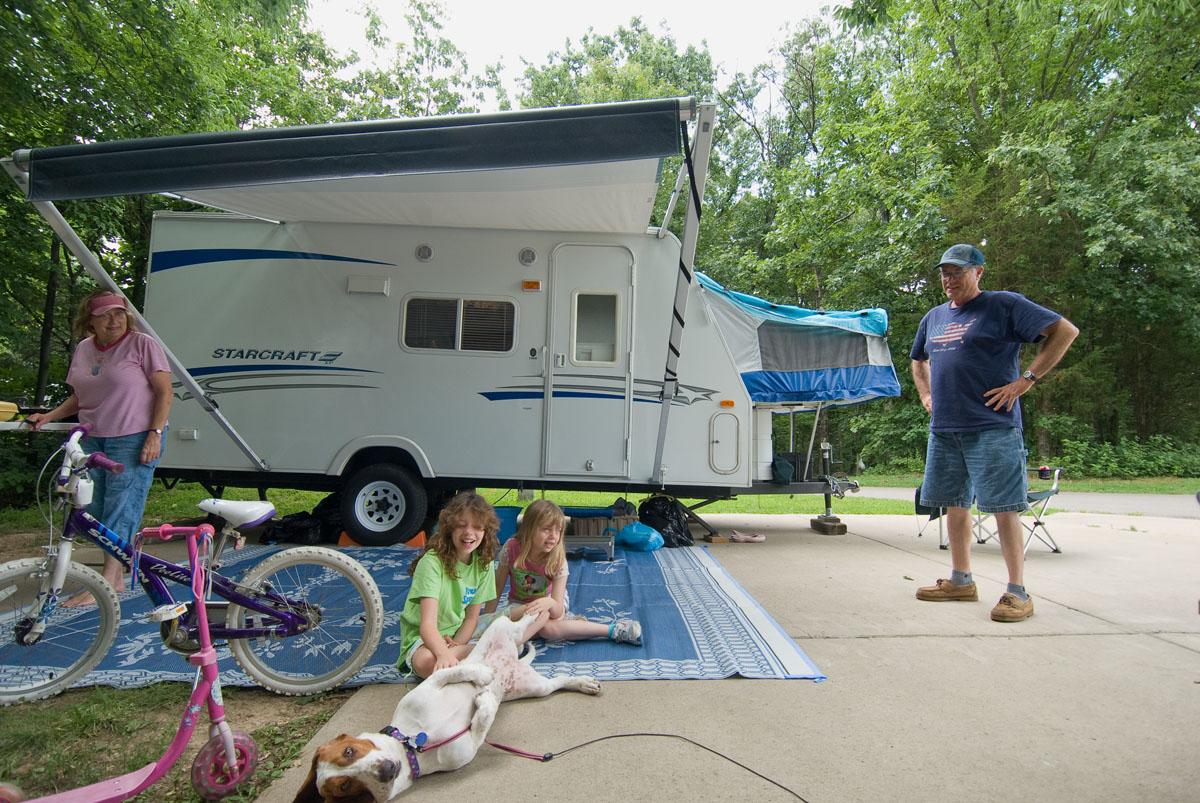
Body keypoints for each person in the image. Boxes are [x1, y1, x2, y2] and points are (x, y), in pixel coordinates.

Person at [910, 244, 1078, 622]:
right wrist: (925, 393)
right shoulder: (933, 317)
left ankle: (1018, 592)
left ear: (979, 272)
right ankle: (960, 580)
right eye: (944, 273)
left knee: (1004, 508)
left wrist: (1025, 381)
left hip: (992, 426)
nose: (949, 279)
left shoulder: (1004, 305)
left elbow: (1064, 331)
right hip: (946, 427)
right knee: (953, 503)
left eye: (957, 272)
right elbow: (918, 358)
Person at [26, 290, 172, 605]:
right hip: (92, 437)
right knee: (91, 508)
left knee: (121, 505)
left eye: (119, 313)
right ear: (90, 320)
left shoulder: (142, 345)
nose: (114, 320)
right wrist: (49, 416)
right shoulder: (83, 349)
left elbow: (164, 392)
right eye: (105, 314)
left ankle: (109, 579)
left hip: (134, 436)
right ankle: (120, 565)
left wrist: (155, 434)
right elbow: (80, 397)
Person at [483, 499, 642, 645]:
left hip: (549, 605)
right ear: (529, 529)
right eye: (546, 529)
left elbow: (557, 608)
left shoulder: (557, 559)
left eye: (558, 531)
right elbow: (496, 587)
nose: (553, 537)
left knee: (547, 629)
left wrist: (550, 603)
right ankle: (570, 625)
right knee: (505, 623)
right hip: (520, 606)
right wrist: (486, 620)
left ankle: (613, 630)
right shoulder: (511, 548)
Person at [398, 492, 500, 678]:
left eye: (477, 527)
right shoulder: (432, 563)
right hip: (423, 640)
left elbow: (471, 619)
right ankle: (465, 662)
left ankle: (458, 664)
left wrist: (454, 647)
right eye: (461, 525)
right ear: (449, 527)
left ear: (486, 530)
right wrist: (443, 654)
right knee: (426, 662)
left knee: (499, 651)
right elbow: (427, 625)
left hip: (456, 638)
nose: (469, 532)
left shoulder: (483, 563)